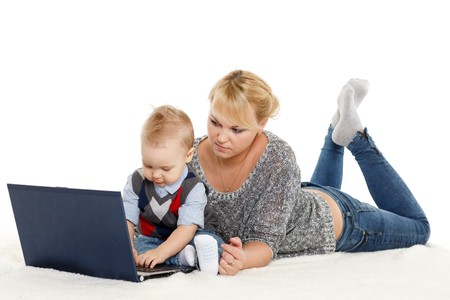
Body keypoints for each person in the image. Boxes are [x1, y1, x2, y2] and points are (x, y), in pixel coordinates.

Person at [188, 70, 430, 276]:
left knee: (420, 228)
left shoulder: (278, 157)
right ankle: (336, 130)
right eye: (215, 122)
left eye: (236, 129)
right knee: (308, 194)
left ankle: (356, 139)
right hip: (300, 200)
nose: (221, 137)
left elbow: (264, 243)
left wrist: (242, 260)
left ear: (261, 124)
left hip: (337, 222)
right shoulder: (189, 158)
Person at [122, 105, 224, 275]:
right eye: (148, 165)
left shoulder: (193, 187)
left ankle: (197, 259)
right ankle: (183, 259)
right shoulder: (136, 181)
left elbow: (186, 229)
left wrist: (162, 253)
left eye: (166, 168)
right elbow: (127, 219)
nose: (156, 175)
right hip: (153, 238)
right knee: (139, 251)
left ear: (188, 156)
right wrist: (128, 246)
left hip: (191, 235)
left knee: (215, 244)